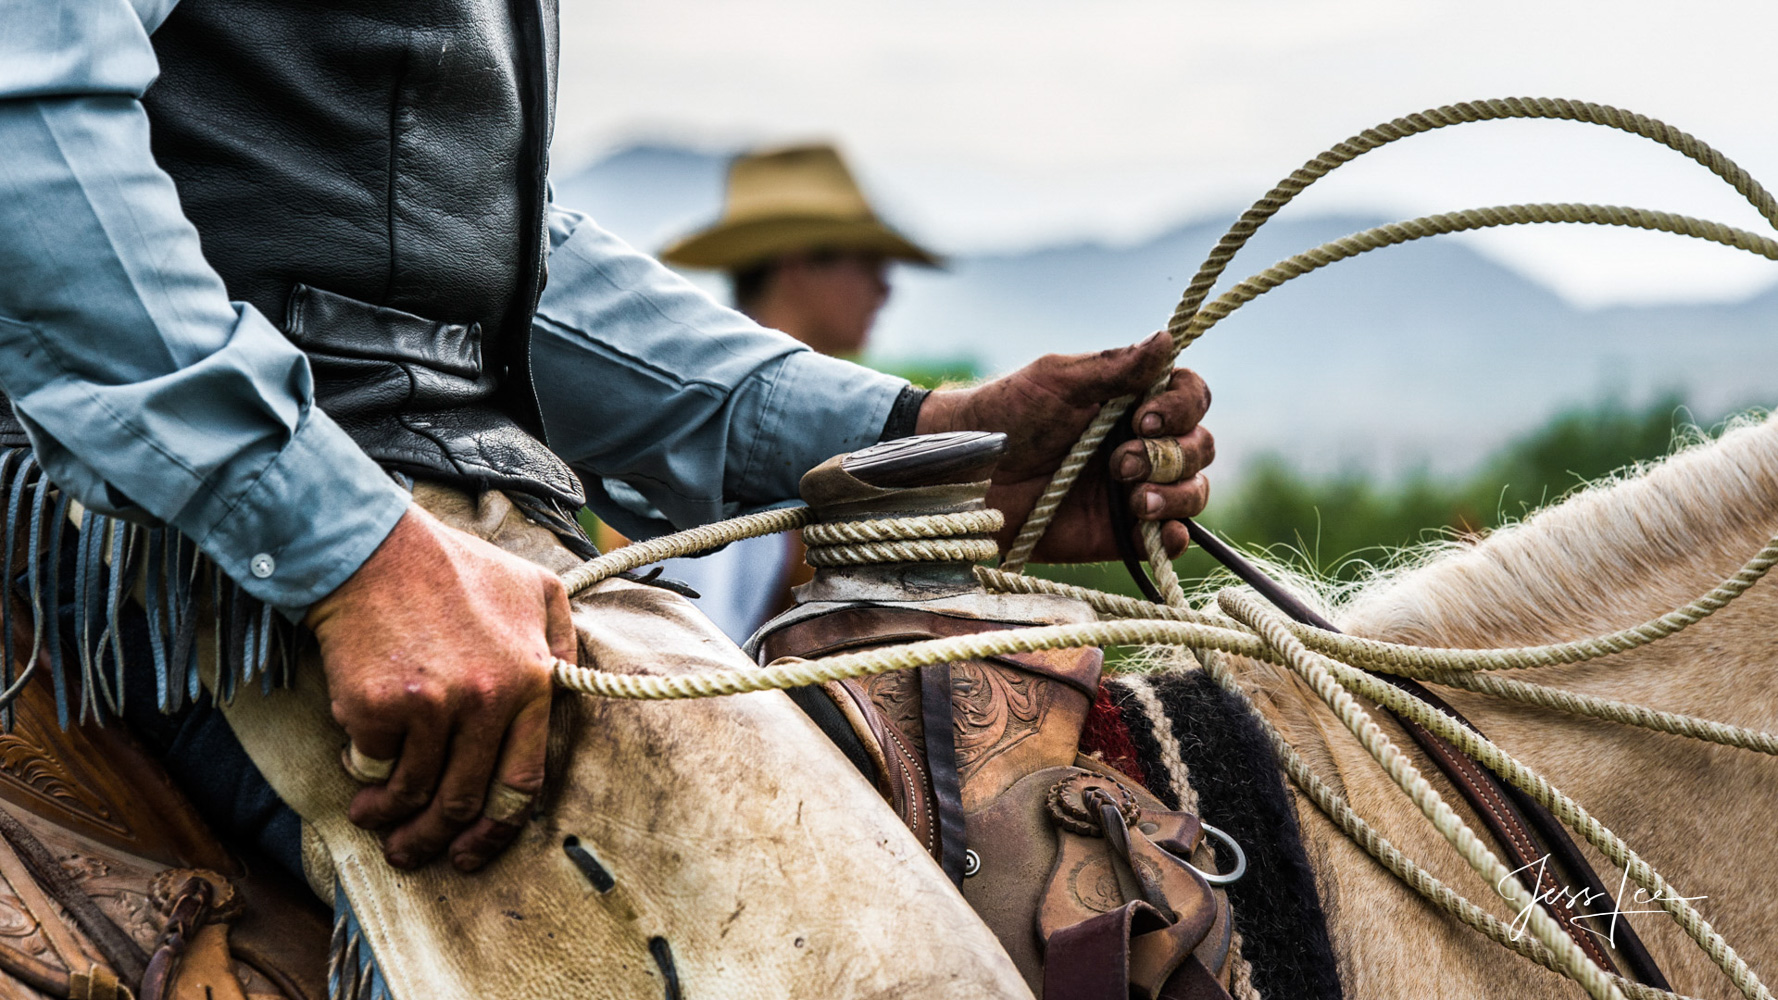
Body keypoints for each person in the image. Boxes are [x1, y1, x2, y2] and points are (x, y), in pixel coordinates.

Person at [0, 0, 1213, 901]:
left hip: (447, 531)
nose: (884, 279)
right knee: (774, 902)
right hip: (166, 557)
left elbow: (474, 246)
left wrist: (913, 441)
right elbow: (29, 140)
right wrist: (347, 547)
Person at [633, 142, 942, 640]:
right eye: (868, 263)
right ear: (799, 264)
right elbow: (698, 640)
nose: (885, 289)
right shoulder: (715, 423)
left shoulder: (729, 409)